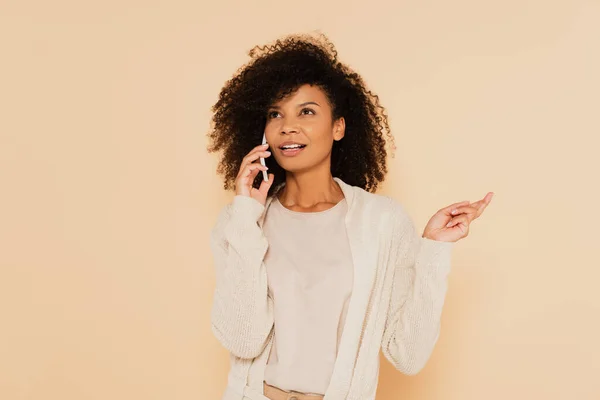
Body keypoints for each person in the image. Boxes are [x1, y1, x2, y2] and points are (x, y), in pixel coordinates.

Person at [206, 32, 493, 400]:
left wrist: (434, 251)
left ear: (338, 126)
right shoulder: (240, 223)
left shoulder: (382, 223)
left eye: (306, 111)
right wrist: (246, 216)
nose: (287, 126)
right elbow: (243, 339)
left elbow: (407, 356)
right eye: (276, 114)